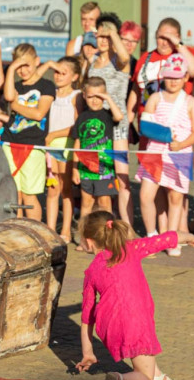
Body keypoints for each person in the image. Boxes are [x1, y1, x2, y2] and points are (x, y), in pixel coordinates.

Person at [74, 210, 194, 380]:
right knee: (144, 378)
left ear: (88, 241)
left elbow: (87, 315)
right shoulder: (131, 249)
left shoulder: (91, 270)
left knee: (148, 363)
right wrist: (193, 237)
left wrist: (88, 352)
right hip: (135, 320)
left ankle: (159, 379)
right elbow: (169, 238)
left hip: (109, 326)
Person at [137, 54, 194, 255]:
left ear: (185, 78)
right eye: (169, 76)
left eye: (177, 76)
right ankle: (151, 235)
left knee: (175, 199)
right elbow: (144, 126)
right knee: (146, 195)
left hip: (179, 155)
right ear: (163, 77)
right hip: (155, 153)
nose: (173, 80)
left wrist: (181, 144)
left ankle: (170, 239)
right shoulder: (155, 98)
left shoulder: (191, 102)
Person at [87, 14, 133, 226]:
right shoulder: (92, 63)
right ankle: (103, 229)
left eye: (108, 35)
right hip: (96, 128)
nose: (103, 39)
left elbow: (124, 56)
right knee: (99, 183)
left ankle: (128, 230)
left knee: (122, 181)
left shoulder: (120, 61)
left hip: (117, 128)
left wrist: (112, 32)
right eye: (100, 34)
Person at [3, 43, 56, 221]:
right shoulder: (15, 85)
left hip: (33, 146)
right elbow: (9, 96)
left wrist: (16, 106)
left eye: (26, 65)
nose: (23, 70)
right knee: (14, 194)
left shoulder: (46, 86)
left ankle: (33, 231)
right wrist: (11, 69)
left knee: (29, 195)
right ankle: (17, 231)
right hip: (10, 143)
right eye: (19, 67)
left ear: (36, 61)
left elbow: (39, 113)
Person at [71, 77, 122, 246]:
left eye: (99, 96)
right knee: (86, 203)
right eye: (91, 96)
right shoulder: (82, 117)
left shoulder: (107, 115)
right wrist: (74, 168)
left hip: (104, 169)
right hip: (85, 168)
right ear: (84, 95)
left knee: (104, 203)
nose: (95, 100)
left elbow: (119, 116)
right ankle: (84, 239)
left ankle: (107, 237)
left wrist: (107, 98)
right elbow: (77, 143)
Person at [42, 56, 82, 242]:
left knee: (66, 190)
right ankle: (50, 229)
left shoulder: (76, 97)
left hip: (65, 145)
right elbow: (36, 76)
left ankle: (65, 230)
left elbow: (77, 126)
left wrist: (54, 135)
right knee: (52, 190)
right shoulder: (49, 93)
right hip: (50, 146)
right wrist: (49, 63)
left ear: (74, 77)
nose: (57, 76)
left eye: (63, 73)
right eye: (56, 72)